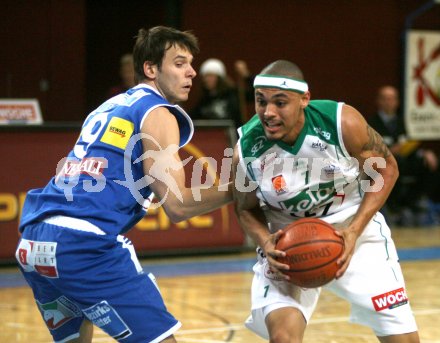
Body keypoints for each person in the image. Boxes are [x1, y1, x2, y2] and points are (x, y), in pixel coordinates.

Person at [15, 26, 232, 343]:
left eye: (190, 63)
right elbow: (177, 204)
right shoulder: (157, 112)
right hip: (81, 243)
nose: (192, 71)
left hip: (34, 243)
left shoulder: (107, 107)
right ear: (151, 69)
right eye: (180, 63)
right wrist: (246, 189)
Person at [232, 60, 419, 342]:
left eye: (280, 103)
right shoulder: (247, 148)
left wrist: (354, 230)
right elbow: (245, 208)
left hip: (353, 227)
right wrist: (265, 241)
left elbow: (387, 168)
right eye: (261, 101)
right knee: (283, 337)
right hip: (286, 241)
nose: (268, 112)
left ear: (304, 99)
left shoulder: (342, 123)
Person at [368, 85, 439, 225]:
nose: (389, 102)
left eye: (392, 99)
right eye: (385, 99)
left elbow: (407, 142)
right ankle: (395, 208)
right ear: (379, 101)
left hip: (405, 160)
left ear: (397, 102)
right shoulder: (371, 122)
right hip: (381, 163)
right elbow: (368, 149)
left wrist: (424, 153)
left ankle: (416, 201)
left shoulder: (400, 121)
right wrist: (389, 152)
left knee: (427, 162)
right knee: (396, 163)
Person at [191, 58, 242, 127]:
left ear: (219, 78)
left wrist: (246, 76)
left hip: (232, 135)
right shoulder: (205, 99)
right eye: (205, 76)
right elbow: (193, 116)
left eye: (210, 76)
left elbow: (253, 94)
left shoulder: (232, 94)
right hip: (213, 136)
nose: (207, 79)